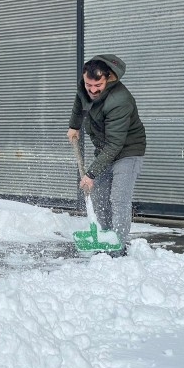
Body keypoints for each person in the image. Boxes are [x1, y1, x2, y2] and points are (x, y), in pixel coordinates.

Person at [67, 55, 146, 257]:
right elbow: (79, 100)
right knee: (98, 196)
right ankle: (104, 238)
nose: (92, 90)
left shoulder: (120, 100)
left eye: (98, 85)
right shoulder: (86, 86)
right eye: (89, 84)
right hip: (105, 149)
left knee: (118, 198)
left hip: (127, 150)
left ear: (109, 77)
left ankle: (117, 247)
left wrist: (91, 174)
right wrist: (74, 126)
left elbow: (115, 144)